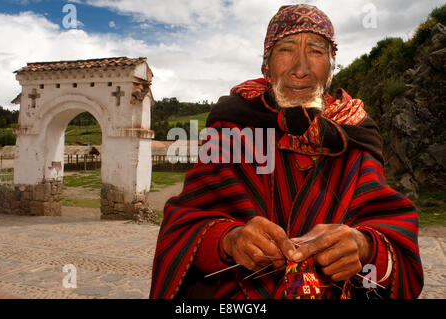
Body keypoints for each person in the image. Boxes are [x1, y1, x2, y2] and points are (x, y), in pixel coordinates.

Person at [149, 4, 423, 299]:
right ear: (266, 66)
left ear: (331, 69)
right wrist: (229, 240)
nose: (300, 69)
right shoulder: (230, 130)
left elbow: (394, 240)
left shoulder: (357, 135)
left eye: (316, 52)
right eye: (287, 50)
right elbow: (182, 226)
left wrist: (364, 247)